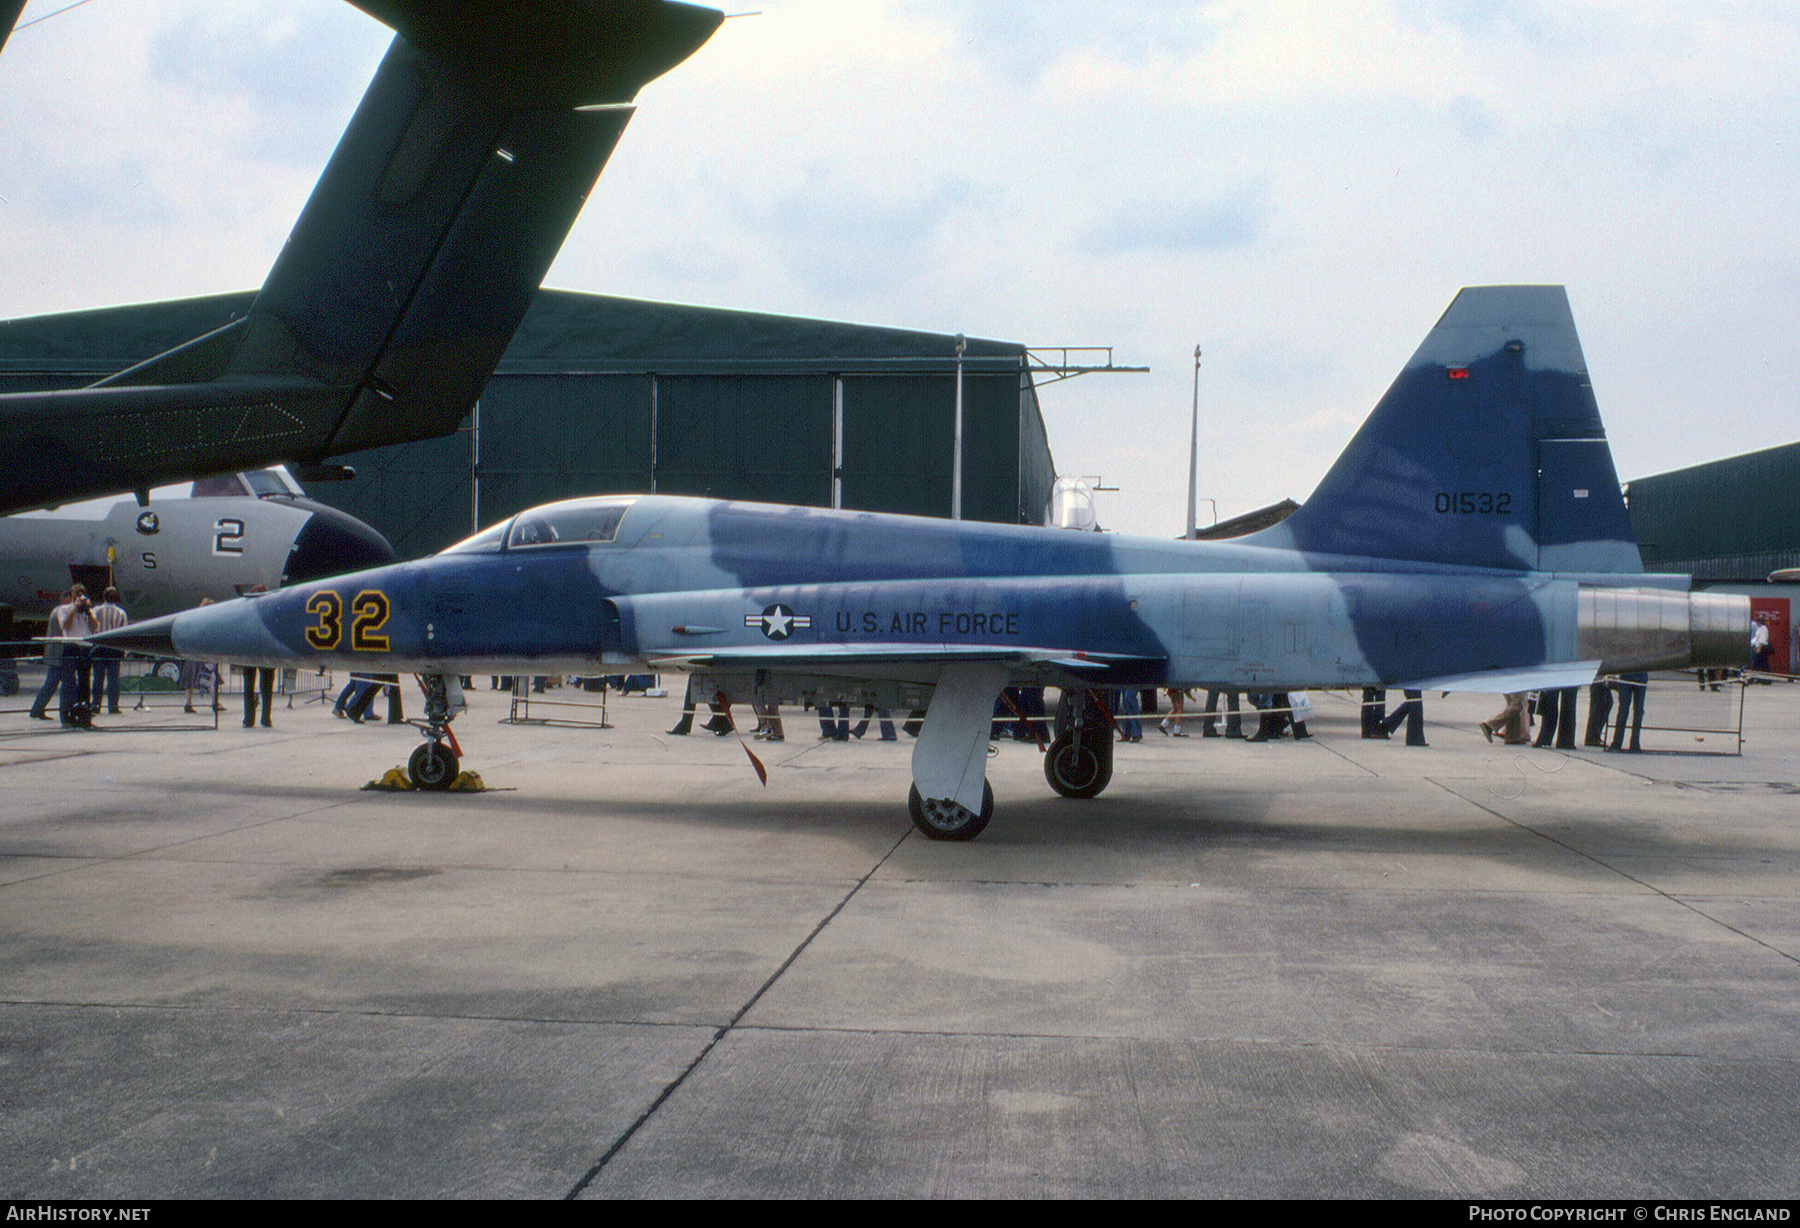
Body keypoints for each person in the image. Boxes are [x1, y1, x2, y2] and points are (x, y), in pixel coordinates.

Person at [90, 587, 129, 716]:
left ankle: (96, 704)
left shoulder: (96, 610)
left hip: (99, 647)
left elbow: (92, 628)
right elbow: (124, 632)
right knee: (113, 679)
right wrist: (124, 650)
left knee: (98, 678)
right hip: (114, 648)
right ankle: (113, 706)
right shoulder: (121, 613)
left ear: (104, 597)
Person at [1609, 672, 1648, 752]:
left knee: (1637, 711)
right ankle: (1617, 742)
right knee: (1624, 710)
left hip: (1639, 678)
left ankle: (1634, 743)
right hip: (1627, 677)